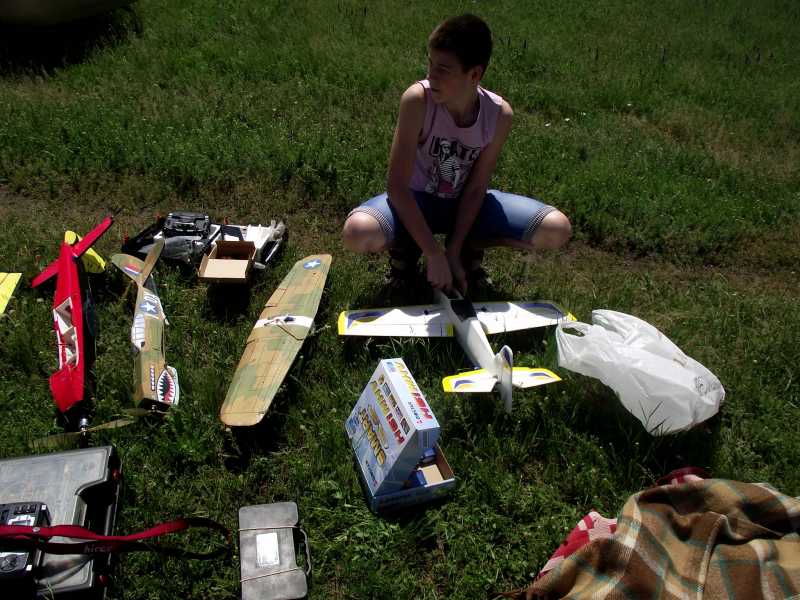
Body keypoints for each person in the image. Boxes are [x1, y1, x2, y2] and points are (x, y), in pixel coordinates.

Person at [342, 13, 571, 294]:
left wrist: (453, 248)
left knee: (556, 229)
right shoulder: (418, 100)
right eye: (430, 63)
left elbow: (476, 188)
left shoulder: (499, 115)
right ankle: (407, 248)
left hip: (464, 204)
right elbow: (397, 187)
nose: (431, 75)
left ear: (474, 74)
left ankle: (468, 249)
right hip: (416, 200)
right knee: (357, 232)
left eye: (443, 69)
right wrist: (433, 253)